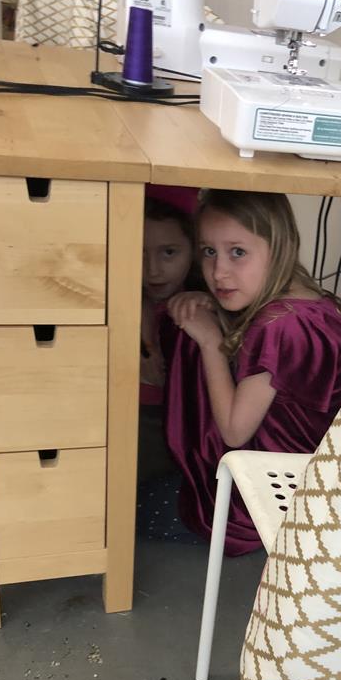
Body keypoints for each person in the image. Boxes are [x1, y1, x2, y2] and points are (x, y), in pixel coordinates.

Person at [163, 188, 341, 555]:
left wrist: (210, 341)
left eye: (237, 252)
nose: (218, 272)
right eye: (209, 251)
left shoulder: (278, 325)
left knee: (190, 339)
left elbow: (234, 431)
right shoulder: (306, 301)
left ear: (279, 248)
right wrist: (213, 305)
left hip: (281, 494)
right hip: (324, 478)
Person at [138, 184, 201, 482]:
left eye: (169, 252)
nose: (153, 270)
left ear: (194, 250)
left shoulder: (199, 306)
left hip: (177, 435)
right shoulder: (119, 302)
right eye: (139, 253)